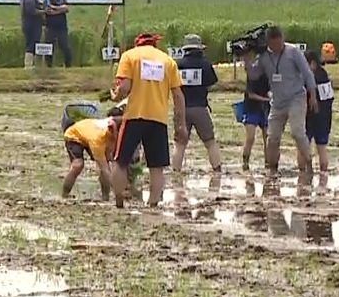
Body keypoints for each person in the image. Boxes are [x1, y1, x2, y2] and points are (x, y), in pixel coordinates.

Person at [110, 33, 186, 207]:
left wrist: (115, 96)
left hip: (134, 116)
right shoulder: (168, 61)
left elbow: (125, 87)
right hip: (158, 119)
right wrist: (180, 124)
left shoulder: (130, 56)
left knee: (120, 161)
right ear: (154, 45)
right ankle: (153, 203)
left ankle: (119, 201)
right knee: (156, 167)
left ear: (138, 44)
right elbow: (178, 95)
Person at [257, 26, 317, 173]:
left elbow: (307, 74)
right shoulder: (264, 57)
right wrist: (247, 60)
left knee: (297, 131)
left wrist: (313, 96)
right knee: (272, 137)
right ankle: (273, 168)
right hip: (277, 102)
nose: (278, 47)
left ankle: (309, 162)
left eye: (280, 43)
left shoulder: (293, 52)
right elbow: (254, 75)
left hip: (296, 97)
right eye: (274, 44)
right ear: (269, 43)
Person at [170, 34, 222, 173]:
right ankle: (217, 169)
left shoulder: (177, 65)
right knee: (210, 141)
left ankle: (176, 171)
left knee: (179, 143)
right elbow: (212, 82)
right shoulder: (205, 64)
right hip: (200, 107)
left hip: (181, 109)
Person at [62, 113, 122, 199]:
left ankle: (105, 197)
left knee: (105, 166)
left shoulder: (112, 129)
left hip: (89, 132)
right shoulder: (98, 138)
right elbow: (105, 169)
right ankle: (65, 194)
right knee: (78, 165)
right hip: (74, 135)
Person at [240, 50, 271, 171]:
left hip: (266, 109)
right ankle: (245, 162)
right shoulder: (253, 75)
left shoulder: (270, 75)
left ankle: (268, 164)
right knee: (250, 137)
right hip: (251, 108)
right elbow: (251, 94)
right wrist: (266, 99)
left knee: (268, 138)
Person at [305, 49, 334, 174]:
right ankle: (323, 177)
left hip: (310, 115)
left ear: (312, 63)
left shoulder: (308, 78)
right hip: (325, 116)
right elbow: (330, 98)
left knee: (304, 147)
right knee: (322, 148)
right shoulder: (324, 74)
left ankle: (305, 175)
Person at [44, 0, 73, 68]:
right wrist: (60, 10)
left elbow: (66, 9)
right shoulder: (46, 1)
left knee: (66, 47)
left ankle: (68, 65)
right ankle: (49, 66)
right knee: (49, 48)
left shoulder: (62, 0)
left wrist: (54, 8)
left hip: (62, 28)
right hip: (50, 28)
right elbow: (49, 12)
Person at [20, 0, 46, 68]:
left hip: (32, 25)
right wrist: (44, 11)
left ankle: (31, 64)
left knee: (33, 44)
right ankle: (28, 65)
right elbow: (31, 11)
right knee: (31, 44)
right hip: (31, 25)